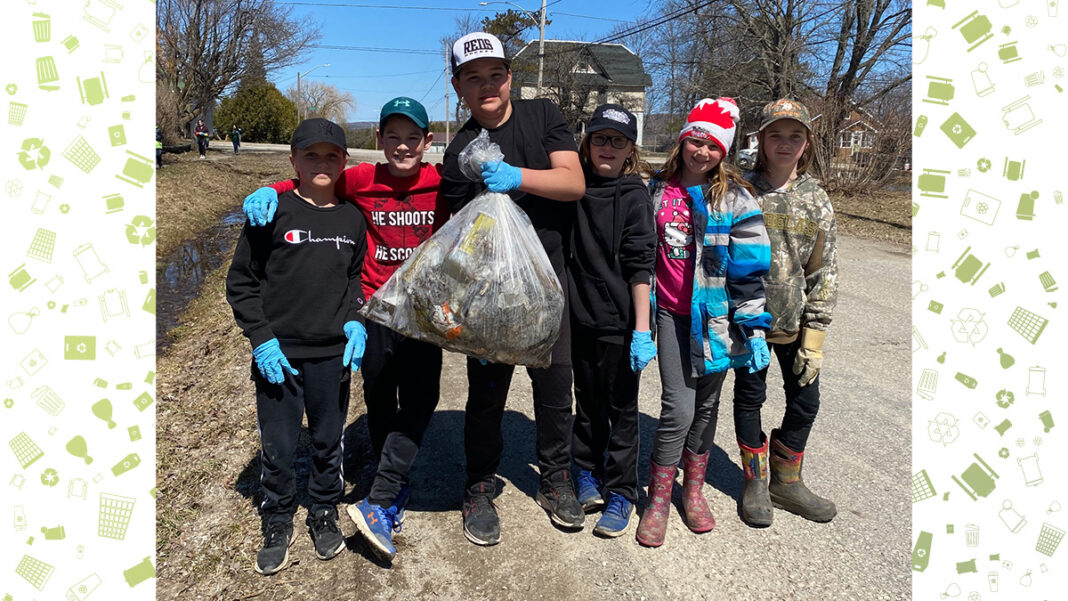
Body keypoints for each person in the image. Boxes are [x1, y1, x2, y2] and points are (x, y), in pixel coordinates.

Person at [241, 97, 448, 561]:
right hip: (375, 310)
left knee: (422, 397)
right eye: (392, 137)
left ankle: (386, 486)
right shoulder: (360, 178)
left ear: (428, 142)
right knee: (378, 395)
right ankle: (379, 472)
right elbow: (311, 178)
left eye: (412, 137)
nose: (402, 146)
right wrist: (271, 190)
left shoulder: (441, 180)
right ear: (377, 141)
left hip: (421, 313)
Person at [441, 31, 585, 546]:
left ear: (510, 77)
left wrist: (517, 176)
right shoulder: (458, 151)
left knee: (554, 390)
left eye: (495, 75)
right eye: (473, 78)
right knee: (486, 395)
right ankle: (479, 483)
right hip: (491, 299)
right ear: (458, 86)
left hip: (548, 284)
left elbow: (573, 183)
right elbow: (453, 237)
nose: (487, 86)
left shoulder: (543, 116)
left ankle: (555, 477)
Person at [225, 117, 368, 575]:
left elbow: (353, 281)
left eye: (332, 156)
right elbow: (241, 284)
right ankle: (278, 515)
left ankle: (324, 509)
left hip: (331, 356)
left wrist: (354, 321)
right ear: (294, 161)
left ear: (344, 162)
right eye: (311, 155)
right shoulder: (271, 212)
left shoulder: (351, 218)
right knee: (280, 444)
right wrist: (261, 339)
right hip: (279, 357)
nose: (321, 163)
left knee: (328, 440)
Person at [635, 97, 771, 548]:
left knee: (707, 406)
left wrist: (752, 329)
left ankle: (692, 490)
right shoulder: (655, 190)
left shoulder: (737, 198)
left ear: (724, 152)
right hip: (670, 315)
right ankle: (658, 497)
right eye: (696, 140)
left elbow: (750, 268)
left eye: (713, 145)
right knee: (679, 405)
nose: (702, 151)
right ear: (682, 140)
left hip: (717, 319)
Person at [732, 98, 838, 527]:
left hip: (796, 325)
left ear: (807, 142)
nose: (785, 143)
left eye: (795, 135)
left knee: (806, 402)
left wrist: (815, 336)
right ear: (760, 139)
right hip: (748, 322)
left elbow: (824, 268)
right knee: (750, 398)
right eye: (775, 134)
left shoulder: (817, 199)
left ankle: (786, 482)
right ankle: (755, 482)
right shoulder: (740, 188)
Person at [567, 104, 656, 538]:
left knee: (622, 410)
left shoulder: (635, 196)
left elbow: (642, 265)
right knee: (586, 405)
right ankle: (584, 471)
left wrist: (642, 329)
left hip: (621, 325)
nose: (608, 147)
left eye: (617, 141)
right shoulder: (574, 188)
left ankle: (622, 491)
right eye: (600, 138)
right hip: (578, 319)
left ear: (630, 150)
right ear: (587, 143)